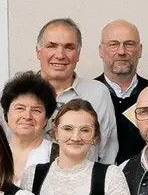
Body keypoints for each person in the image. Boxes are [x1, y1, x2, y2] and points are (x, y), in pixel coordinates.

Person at [34, 19, 118, 163]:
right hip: (28, 184)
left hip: (85, 183)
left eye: (69, 47)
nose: (60, 55)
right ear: (38, 52)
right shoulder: (17, 94)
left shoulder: (97, 93)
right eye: (52, 46)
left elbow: (107, 154)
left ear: (78, 54)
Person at [97, 20, 148, 164]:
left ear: (140, 50)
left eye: (129, 44)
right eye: (113, 44)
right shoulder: (89, 95)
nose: (121, 52)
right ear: (101, 51)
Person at [1, 72, 57, 178]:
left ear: (46, 119)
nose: (27, 116)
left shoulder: (58, 156)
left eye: (36, 110)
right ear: (6, 114)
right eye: (20, 108)